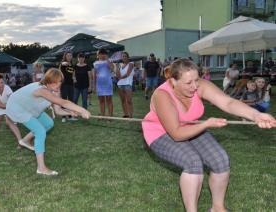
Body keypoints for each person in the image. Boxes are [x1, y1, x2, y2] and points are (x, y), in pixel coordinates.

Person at [142, 58, 276, 212]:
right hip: (162, 132)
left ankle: (218, 208)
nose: (194, 86)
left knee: (220, 159)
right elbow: (177, 134)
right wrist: (205, 124)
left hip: (191, 126)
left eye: (196, 80)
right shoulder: (162, 95)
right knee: (192, 162)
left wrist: (255, 115)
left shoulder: (199, 85)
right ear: (173, 81)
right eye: (188, 83)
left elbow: (228, 102)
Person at [6, 68, 91, 176]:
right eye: (55, 82)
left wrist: (71, 112)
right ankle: (41, 168)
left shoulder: (54, 90)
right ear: (48, 81)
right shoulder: (41, 90)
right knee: (40, 132)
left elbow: (58, 110)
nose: (58, 84)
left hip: (30, 107)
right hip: (18, 108)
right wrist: (82, 109)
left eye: (60, 81)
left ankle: (25, 141)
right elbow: (63, 102)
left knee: (49, 123)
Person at [0, 74, 25, 145]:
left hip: (10, 107)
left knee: (9, 122)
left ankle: (20, 141)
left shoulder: (7, 87)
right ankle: (6, 118)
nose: (1, 85)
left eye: (2, 82)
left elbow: (13, 100)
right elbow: (1, 105)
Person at [93, 49, 114, 116]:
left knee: (109, 100)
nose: (101, 55)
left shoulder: (109, 61)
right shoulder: (95, 63)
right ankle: (102, 115)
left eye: (103, 54)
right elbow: (95, 75)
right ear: (98, 55)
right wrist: (95, 86)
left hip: (108, 83)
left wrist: (107, 59)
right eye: (100, 54)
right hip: (99, 84)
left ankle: (110, 116)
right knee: (101, 100)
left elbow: (112, 68)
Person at [116, 51, 134, 118]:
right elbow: (117, 75)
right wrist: (117, 67)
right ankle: (126, 114)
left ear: (128, 57)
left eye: (125, 56)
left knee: (129, 100)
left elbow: (127, 74)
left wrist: (120, 77)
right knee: (123, 100)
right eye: (123, 56)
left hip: (128, 84)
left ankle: (131, 115)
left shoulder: (131, 64)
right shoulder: (120, 65)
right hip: (120, 84)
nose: (124, 57)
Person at [59, 52, 76, 122]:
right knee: (64, 100)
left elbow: (73, 75)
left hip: (71, 84)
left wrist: (74, 78)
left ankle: (70, 116)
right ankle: (63, 116)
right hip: (64, 84)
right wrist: (63, 63)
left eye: (70, 56)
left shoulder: (72, 65)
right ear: (65, 56)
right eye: (68, 55)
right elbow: (62, 64)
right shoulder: (63, 64)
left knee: (71, 100)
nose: (69, 57)